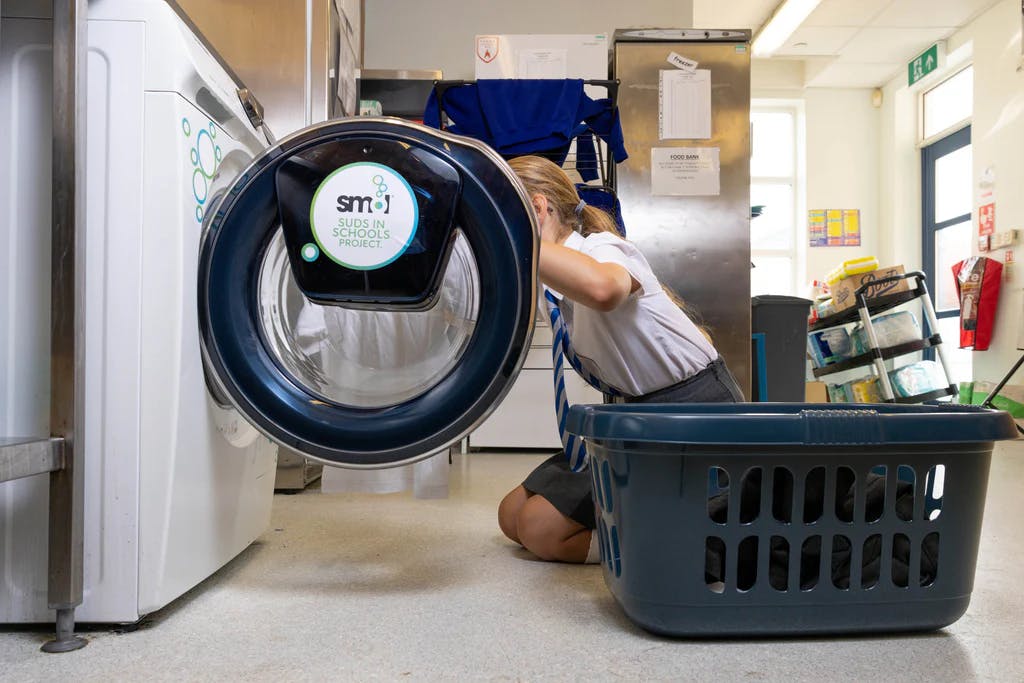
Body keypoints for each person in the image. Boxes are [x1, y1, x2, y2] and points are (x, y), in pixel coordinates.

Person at [497, 155, 743, 564]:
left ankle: (656, 557)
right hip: (637, 415)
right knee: (512, 517)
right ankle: (645, 528)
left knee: (541, 529)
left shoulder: (602, 248)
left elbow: (603, 290)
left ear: (537, 209)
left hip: (695, 412)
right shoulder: (549, 280)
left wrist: (519, 240)